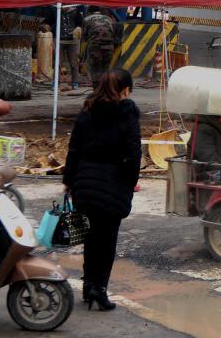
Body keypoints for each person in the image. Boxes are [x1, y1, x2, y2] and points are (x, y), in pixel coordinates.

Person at [62, 68, 141, 312]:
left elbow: (74, 148)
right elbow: (133, 154)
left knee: (90, 238)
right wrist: (129, 183)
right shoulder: (127, 114)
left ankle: (88, 288)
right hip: (112, 184)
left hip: (84, 185)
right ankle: (99, 290)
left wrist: (69, 181)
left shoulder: (87, 110)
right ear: (125, 89)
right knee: (106, 241)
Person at [83, 8, 118, 86]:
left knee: (95, 68)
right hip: (109, 47)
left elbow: (84, 37)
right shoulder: (109, 19)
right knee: (105, 68)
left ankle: (97, 89)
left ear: (89, 12)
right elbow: (114, 32)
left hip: (95, 47)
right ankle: (106, 88)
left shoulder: (87, 19)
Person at [60, 9, 83, 89]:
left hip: (73, 40)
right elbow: (49, 21)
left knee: (74, 62)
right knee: (57, 62)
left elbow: (80, 23)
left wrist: (78, 28)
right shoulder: (56, 9)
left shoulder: (76, 11)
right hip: (60, 39)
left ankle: (75, 82)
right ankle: (55, 82)